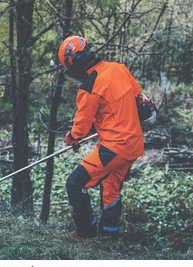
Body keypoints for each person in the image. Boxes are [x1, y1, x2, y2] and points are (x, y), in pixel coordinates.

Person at [58, 35, 158, 240]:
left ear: (76, 63)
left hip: (114, 148)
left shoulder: (90, 87)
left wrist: (72, 137)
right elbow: (139, 99)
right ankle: (109, 235)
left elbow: (82, 126)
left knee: (75, 184)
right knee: (111, 187)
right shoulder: (119, 68)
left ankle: (85, 233)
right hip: (133, 145)